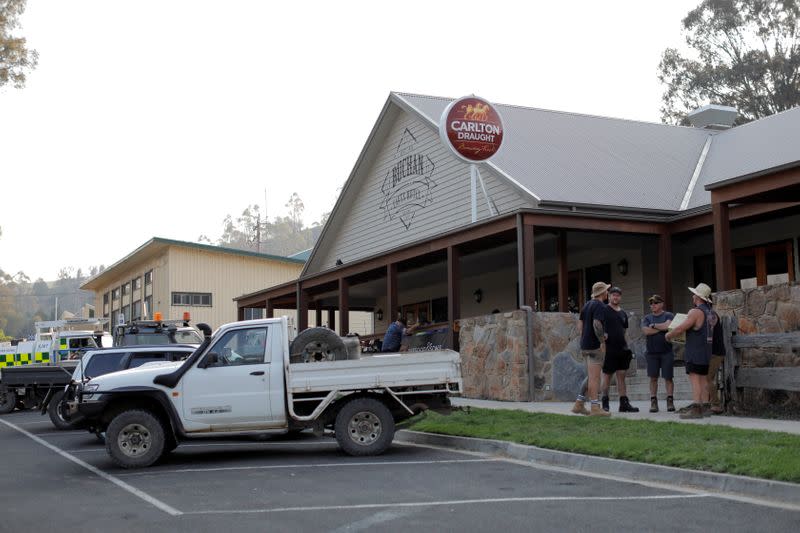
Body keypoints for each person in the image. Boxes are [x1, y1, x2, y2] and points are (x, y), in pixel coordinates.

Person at [665, 283, 716, 419]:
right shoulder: (712, 313)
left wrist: (668, 335)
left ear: (698, 297)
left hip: (695, 351)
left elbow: (681, 328)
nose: (693, 297)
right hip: (707, 352)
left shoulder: (695, 312)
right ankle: (706, 408)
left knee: (695, 380)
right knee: (704, 379)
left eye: (694, 294)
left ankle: (696, 409)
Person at [571, 281, 612, 417]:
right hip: (595, 346)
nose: (608, 292)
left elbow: (580, 325)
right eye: (606, 290)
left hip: (585, 345)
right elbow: (596, 323)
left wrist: (585, 337)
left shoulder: (587, 305)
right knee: (595, 378)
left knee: (590, 377)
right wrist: (601, 341)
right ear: (602, 293)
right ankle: (595, 407)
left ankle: (579, 404)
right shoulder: (600, 305)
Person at [600, 287, 639, 413]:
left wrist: (627, 347)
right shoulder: (604, 310)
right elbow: (597, 324)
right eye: (613, 295)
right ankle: (605, 403)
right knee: (607, 377)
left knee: (621, 376)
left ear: (620, 297)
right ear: (609, 296)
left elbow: (624, 331)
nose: (615, 297)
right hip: (608, 350)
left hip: (622, 350)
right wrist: (602, 338)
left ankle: (624, 404)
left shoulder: (623, 313)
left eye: (618, 295)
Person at [641, 294, 675, 413]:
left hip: (667, 352)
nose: (653, 305)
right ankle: (653, 401)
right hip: (652, 353)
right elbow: (646, 331)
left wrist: (654, 326)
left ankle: (670, 401)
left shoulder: (668, 315)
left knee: (668, 378)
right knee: (653, 378)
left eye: (655, 303)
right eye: (651, 303)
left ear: (661, 304)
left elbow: (669, 325)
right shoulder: (647, 318)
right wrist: (662, 328)